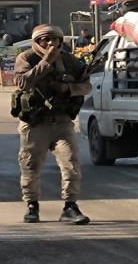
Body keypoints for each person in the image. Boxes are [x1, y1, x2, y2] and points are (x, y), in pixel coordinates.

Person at [13, 24, 92, 225]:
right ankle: (32, 206)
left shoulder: (69, 60)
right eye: (45, 40)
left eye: (54, 39)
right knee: (30, 165)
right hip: (35, 123)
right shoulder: (27, 58)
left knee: (71, 163)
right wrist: (46, 62)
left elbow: (86, 85)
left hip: (62, 122)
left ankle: (70, 206)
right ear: (37, 41)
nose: (50, 43)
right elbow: (22, 83)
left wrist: (67, 87)